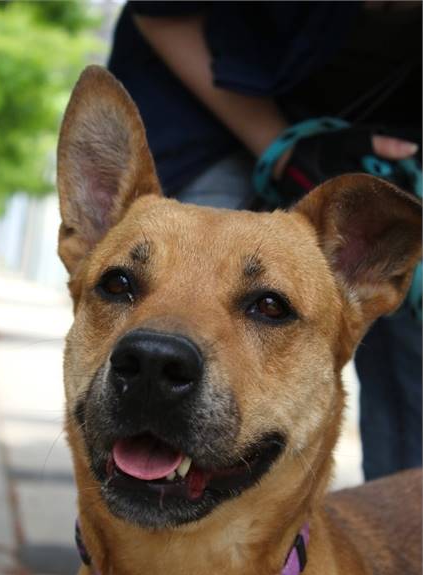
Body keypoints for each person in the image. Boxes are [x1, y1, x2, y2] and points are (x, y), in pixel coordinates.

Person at [108, 1, 422, 481]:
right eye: (119, 285)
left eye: (268, 305)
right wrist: (285, 148)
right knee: (194, 260)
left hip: (396, 135)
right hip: (206, 103)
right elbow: (162, 11)